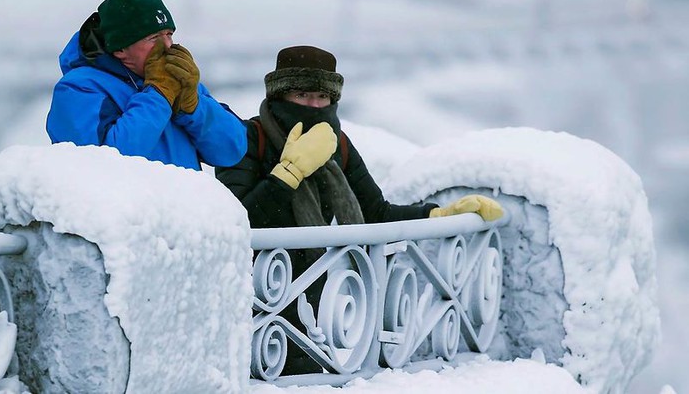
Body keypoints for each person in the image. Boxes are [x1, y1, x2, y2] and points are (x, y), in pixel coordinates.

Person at [216, 45, 504, 375]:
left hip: (314, 302)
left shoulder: (337, 145)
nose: (313, 106)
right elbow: (235, 220)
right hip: (252, 296)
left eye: (322, 97)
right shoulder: (248, 138)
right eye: (302, 94)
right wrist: (289, 173)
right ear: (279, 95)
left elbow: (375, 213)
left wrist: (437, 215)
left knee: (304, 377)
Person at [46, 0, 246, 170]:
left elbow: (231, 151)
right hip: (129, 209)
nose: (168, 46)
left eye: (169, 34)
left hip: (184, 208)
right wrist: (158, 94)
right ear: (120, 48)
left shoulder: (178, 81)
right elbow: (104, 165)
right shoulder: (79, 88)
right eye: (153, 38)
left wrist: (193, 106)